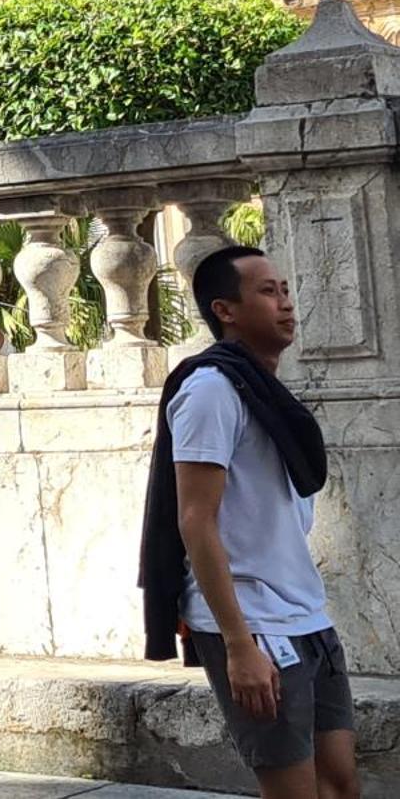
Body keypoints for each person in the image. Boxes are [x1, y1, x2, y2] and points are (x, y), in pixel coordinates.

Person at [139, 246, 358, 799]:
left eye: (284, 290)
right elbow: (195, 520)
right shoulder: (211, 390)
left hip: (305, 614)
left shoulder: (264, 389)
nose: (285, 304)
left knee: (340, 786)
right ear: (225, 310)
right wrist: (238, 645)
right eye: (267, 292)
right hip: (254, 624)